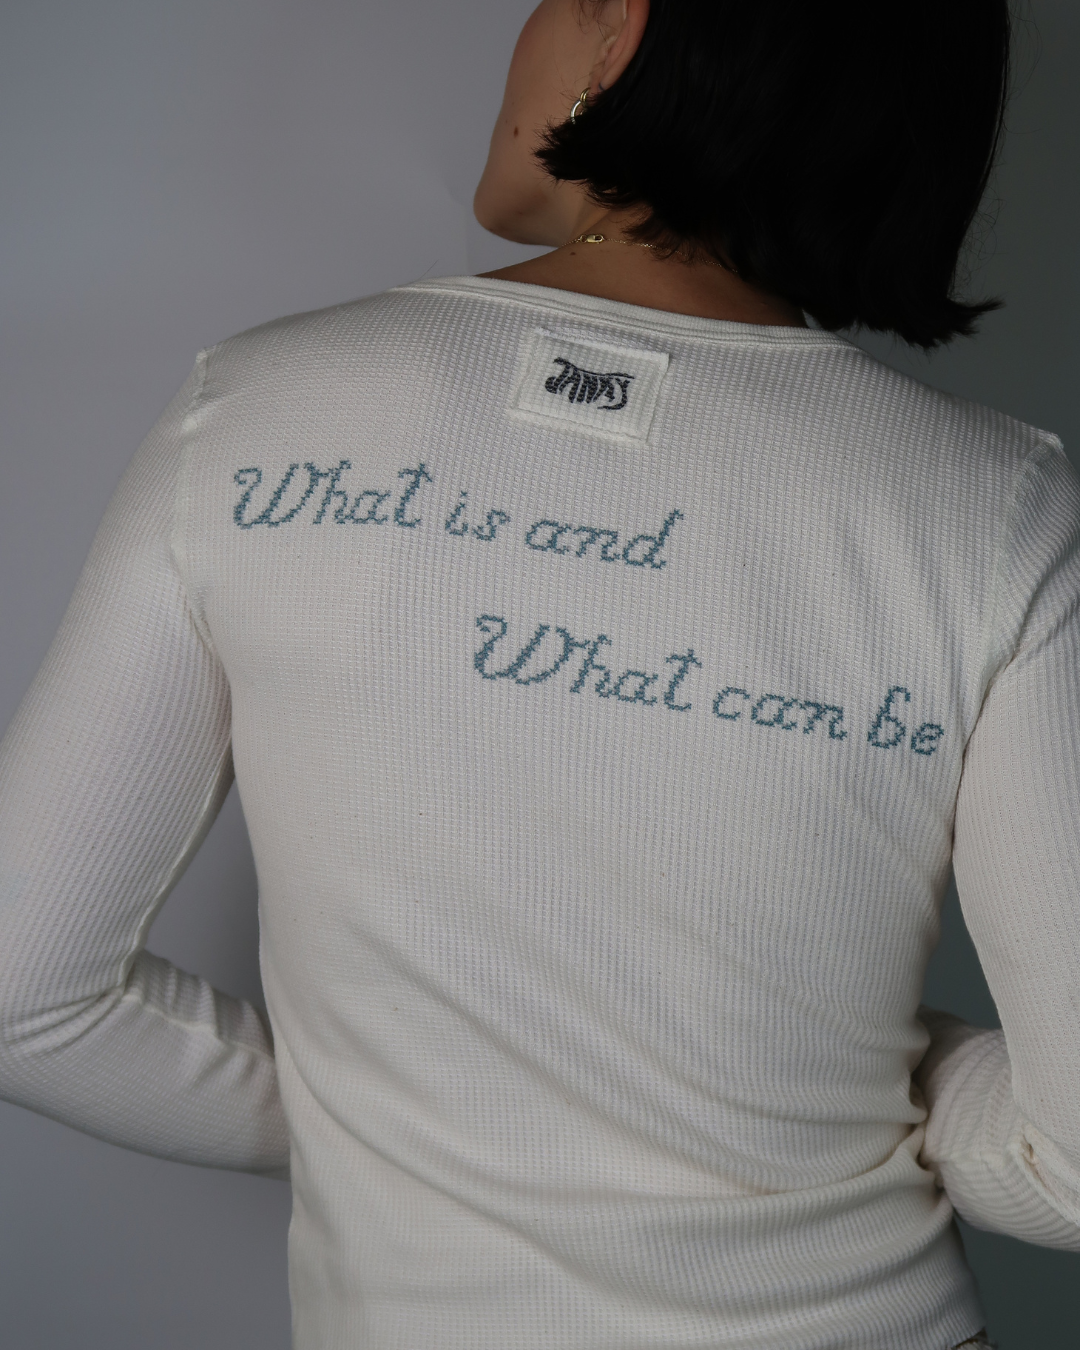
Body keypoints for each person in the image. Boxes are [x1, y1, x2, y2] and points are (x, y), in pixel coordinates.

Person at [0, 1, 1076, 1346]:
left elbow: (23, 992)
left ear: (622, 28)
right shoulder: (995, 507)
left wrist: (410, 1118)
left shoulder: (254, 412)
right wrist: (857, 1088)